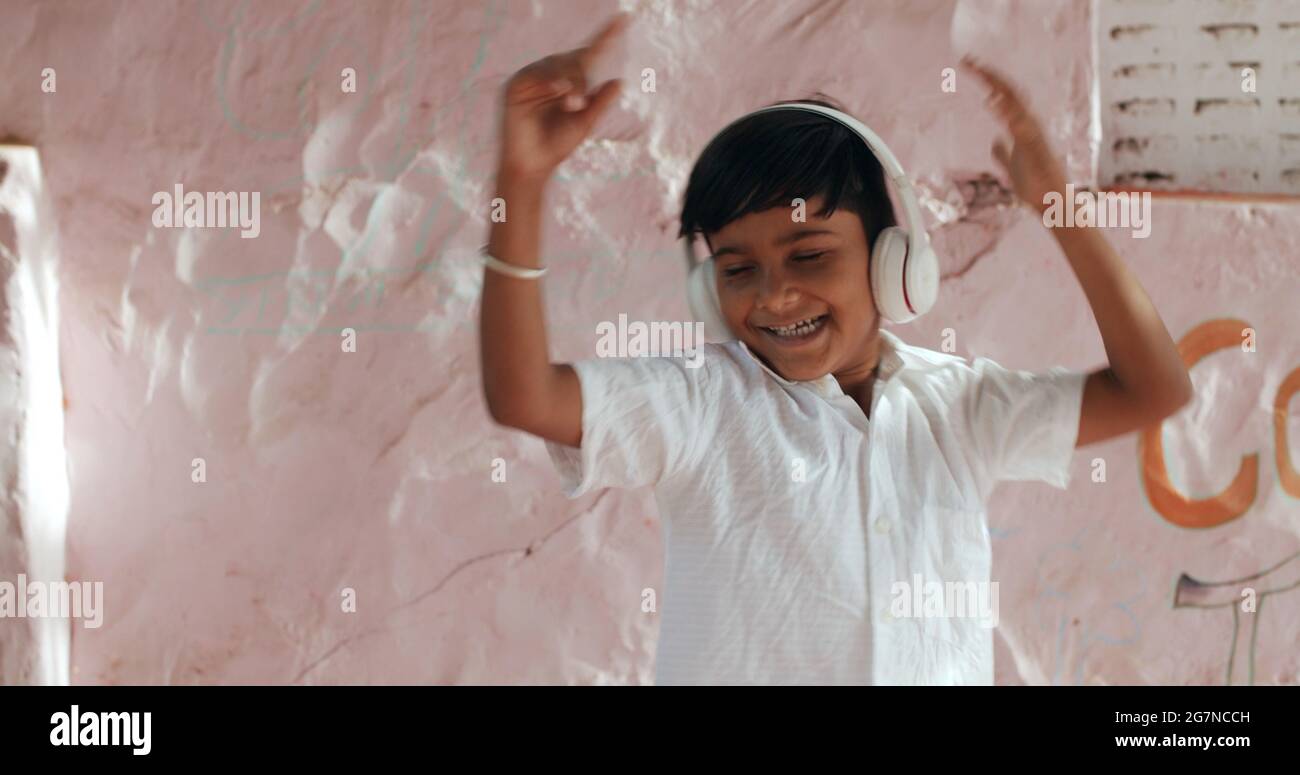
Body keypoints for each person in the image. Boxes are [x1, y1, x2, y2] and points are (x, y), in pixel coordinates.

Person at [478, 12, 1193, 684]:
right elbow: (525, 395)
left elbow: (1154, 388)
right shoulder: (698, 402)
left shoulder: (961, 407)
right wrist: (523, 183)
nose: (775, 295)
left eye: (810, 256)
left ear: (894, 259)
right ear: (707, 291)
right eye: (737, 269)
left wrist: (1062, 208)